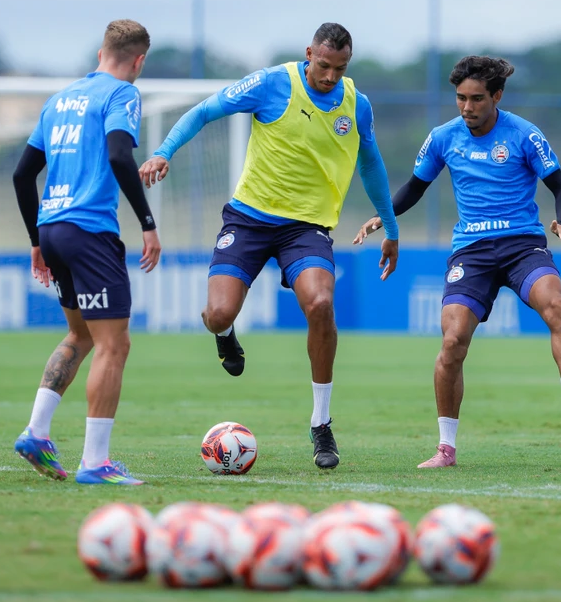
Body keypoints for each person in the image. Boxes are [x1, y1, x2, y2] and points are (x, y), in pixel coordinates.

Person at [138, 23, 399, 470]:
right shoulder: (272, 83)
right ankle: (225, 336)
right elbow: (204, 111)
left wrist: (390, 227)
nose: (331, 76)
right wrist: (165, 151)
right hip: (249, 219)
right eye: (324, 65)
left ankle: (321, 423)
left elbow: (371, 164)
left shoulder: (357, 104)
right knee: (218, 314)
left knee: (321, 304)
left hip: (307, 227)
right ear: (308, 53)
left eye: (340, 69)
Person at [354, 55, 561, 469]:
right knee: (452, 341)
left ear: (497, 96)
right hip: (471, 252)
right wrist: (383, 217)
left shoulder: (524, 135)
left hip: (522, 245)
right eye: (460, 98)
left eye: (476, 99)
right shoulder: (443, 138)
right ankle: (446, 448)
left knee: (556, 306)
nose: (467, 107)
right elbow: (415, 187)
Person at [11, 19, 160, 486]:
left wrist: (37, 240)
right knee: (115, 343)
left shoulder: (60, 100)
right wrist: (148, 222)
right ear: (138, 60)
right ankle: (95, 462)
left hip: (53, 228)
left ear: (100, 53)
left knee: (81, 335)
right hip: (90, 231)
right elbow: (118, 155)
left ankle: (36, 432)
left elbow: (22, 174)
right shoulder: (123, 94)